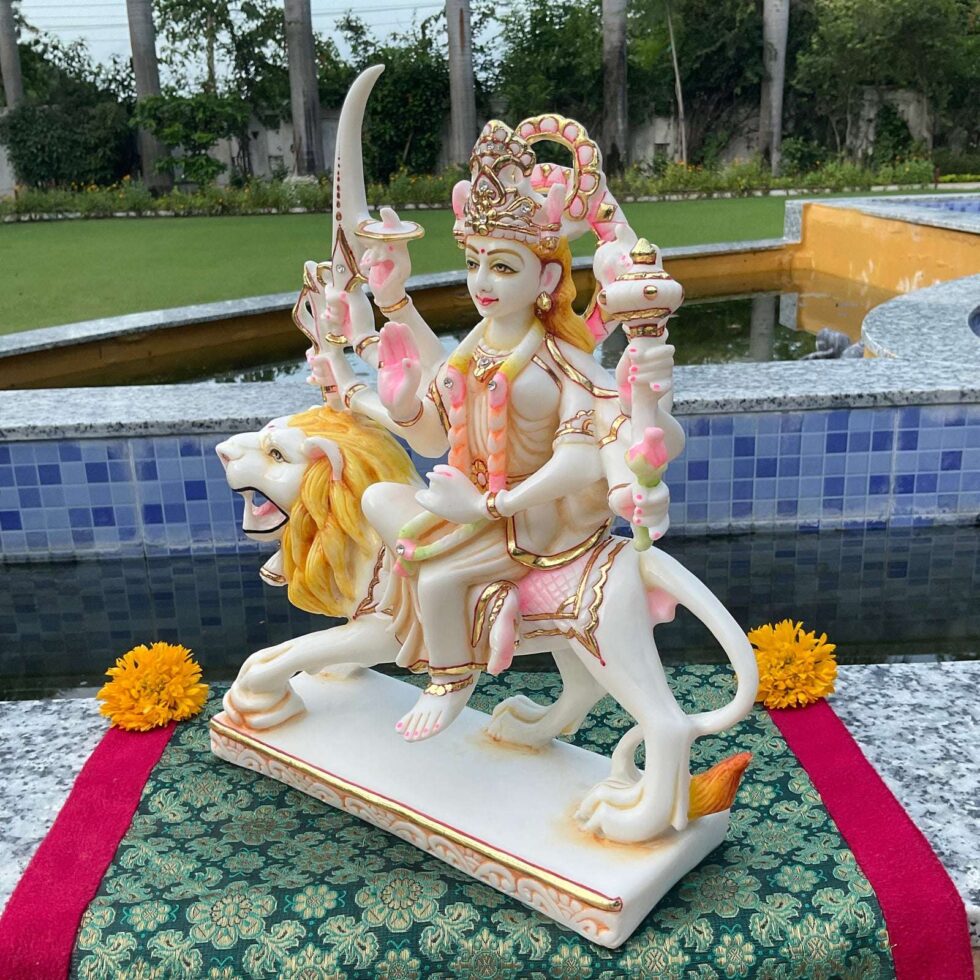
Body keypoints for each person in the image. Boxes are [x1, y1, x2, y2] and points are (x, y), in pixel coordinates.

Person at [313, 119, 683, 742]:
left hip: (528, 518)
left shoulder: (562, 363)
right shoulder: (472, 352)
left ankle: (451, 678)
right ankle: (488, 605)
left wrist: (489, 505)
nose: (482, 282)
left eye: (504, 267)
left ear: (546, 280)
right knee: (378, 500)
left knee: (436, 577)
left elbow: (592, 453)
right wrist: (403, 402)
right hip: (469, 502)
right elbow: (433, 439)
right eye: (473, 263)